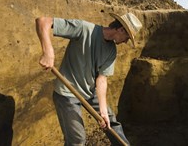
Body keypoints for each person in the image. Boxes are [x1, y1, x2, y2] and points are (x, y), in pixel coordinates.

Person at [35, 12, 143, 145]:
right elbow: (43, 21)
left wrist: (102, 109)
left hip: (90, 92)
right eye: (127, 37)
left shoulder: (111, 51)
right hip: (67, 94)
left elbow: (102, 79)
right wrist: (48, 51)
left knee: (111, 122)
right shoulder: (84, 29)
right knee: (77, 139)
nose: (126, 42)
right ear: (121, 29)